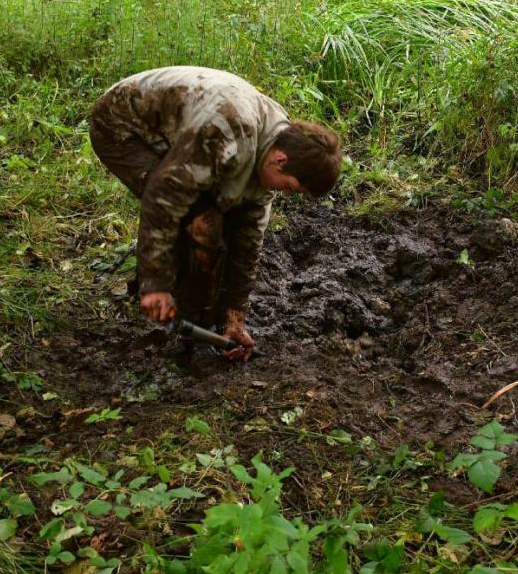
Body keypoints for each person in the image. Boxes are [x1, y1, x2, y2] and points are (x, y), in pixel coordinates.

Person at [89, 67, 341, 359]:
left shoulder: (276, 145)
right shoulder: (229, 133)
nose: (286, 193)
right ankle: (190, 326)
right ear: (280, 160)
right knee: (203, 223)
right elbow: (164, 196)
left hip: (186, 135)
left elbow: (248, 241)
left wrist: (235, 317)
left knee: (222, 218)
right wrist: (154, 283)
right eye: (292, 188)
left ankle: (200, 320)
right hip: (124, 126)